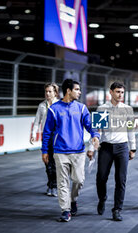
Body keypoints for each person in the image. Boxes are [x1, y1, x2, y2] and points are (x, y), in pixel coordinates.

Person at [41, 79, 100, 222]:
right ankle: (65, 210)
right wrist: (44, 150)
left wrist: (95, 135)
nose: (79, 92)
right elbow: (47, 132)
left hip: (78, 152)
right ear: (68, 90)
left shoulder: (81, 108)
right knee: (62, 182)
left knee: (79, 180)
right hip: (60, 152)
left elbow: (90, 125)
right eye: (77, 89)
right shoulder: (54, 109)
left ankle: (73, 200)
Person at [88, 82, 136, 221]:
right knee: (101, 178)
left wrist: (132, 148)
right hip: (106, 147)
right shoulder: (102, 108)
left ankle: (117, 209)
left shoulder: (128, 109)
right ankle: (102, 198)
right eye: (117, 92)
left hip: (122, 147)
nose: (120, 95)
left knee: (121, 180)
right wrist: (92, 148)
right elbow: (97, 130)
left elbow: (130, 130)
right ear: (110, 92)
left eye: (122, 92)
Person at [30, 83, 60, 197]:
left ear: (55, 93)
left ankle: (55, 186)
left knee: (56, 163)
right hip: (46, 137)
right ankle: (50, 184)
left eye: (50, 91)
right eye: (46, 91)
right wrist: (33, 134)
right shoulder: (42, 105)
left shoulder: (60, 104)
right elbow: (37, 121)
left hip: (57, 138)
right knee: (47, 162)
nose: (47, 93)